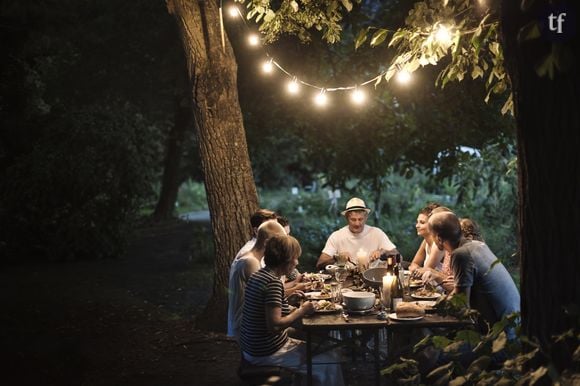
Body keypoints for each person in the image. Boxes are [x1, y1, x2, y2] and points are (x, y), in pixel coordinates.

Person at [239, 235, 345, 386]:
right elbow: (275, 325)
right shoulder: (273, 283)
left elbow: (265, 309)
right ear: (286, 260)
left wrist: (289, 301)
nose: (297, 262)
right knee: (330, 361)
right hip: (266, 352)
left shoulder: (259, 276)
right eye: (296, 258)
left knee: (328, 351)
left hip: (253, 348)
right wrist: (302, 310)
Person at [428, 211, 520, 333]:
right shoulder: (478, 245)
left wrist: (430, 308)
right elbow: (459, 293)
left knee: (430, 338)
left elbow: (461, 306)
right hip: (514, 325)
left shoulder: (461, 255)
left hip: (499, 337)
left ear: (439, 238)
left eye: (432, 236)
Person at [227, 220, 287, 341]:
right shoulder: (250, 262)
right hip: (244, 324)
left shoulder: (254, 259)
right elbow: (266, 294)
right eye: (279, 244)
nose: (281, 248)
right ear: (266, 243)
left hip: (250, 320)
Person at [315, 197, 399, 270]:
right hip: (345, 280)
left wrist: (382, 252)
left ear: (366, 218)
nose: (357, 224)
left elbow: (399, 257)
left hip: (372, 276)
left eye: (360, 219)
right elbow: (320, 264)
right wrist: (337, 258)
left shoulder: (376, 233)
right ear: (347, 218)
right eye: (353, 219)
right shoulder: (337, 236)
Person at [409, 203, 445, 274]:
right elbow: (414, 264)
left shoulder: (438, 245)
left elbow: (424, 272)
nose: (417, 226)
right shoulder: (425, 241)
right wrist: (416, 268)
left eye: (422, 223)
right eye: (417, 222)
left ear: (432, 224)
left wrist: (417, 269)